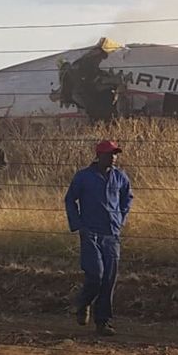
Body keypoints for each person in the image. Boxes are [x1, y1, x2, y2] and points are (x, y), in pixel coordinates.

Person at [65, 140, 133, 336]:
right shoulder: (84, 177)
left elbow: (127, 198)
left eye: (115, 154)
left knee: (109, 279)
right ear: (99, 155)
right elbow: (70, 199)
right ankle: (84, 302)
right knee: (96, 274)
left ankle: (103, 321)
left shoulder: (120, 177)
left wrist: (121, 218)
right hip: (91, 232)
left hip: (111, 233)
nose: (113, 157)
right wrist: (78, 225)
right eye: (109, 154)